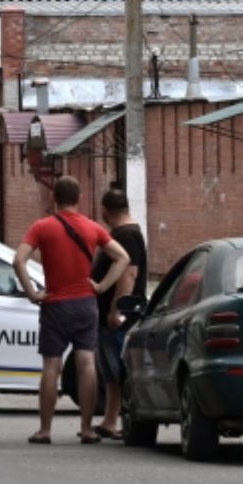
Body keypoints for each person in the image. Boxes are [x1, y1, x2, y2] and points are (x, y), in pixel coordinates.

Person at [14, 176, 129, 445]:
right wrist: (101, 287)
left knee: (51, 366)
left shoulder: (41, 227)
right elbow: (122, 258)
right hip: (86, 304)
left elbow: (18, 259)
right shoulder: (93, 228)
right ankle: (87, 428)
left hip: (54, 304)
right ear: (79, 198)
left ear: (55, 198)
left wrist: (32, 293)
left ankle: (45, 429)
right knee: (87, 363)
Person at [94, 188, 147, 440]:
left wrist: (117, 310)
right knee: (110, 370)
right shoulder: (128, 232)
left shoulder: (126, 234)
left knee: (118, 367)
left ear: (106, 210)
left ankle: (123, 419)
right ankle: (109, 420)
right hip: (112, 312)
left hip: (118, 315)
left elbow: (129, 273)